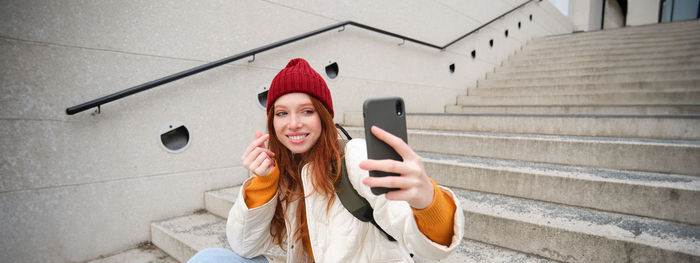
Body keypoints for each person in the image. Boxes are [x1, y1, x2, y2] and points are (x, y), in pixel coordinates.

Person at [188, 58, 463, 263]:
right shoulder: (283, 170)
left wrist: (427, 202)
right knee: (209, 259)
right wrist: (262, 183)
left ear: (323, 116)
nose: (293, 124)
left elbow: (423, 246)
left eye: (306, 111)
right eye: (281, 113)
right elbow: (245, 247)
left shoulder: (353, 156)